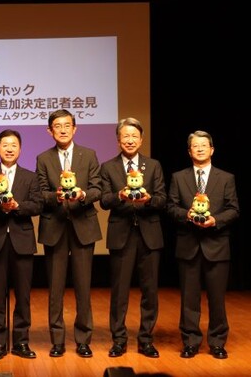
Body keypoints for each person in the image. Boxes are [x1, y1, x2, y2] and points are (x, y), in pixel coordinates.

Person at [167, 130, 239, 360]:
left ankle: (217, 342)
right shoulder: (178, 177)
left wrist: (215, 220)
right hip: (188, 245)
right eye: (195, 146)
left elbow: (234, 209)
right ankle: (190, 342)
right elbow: (171, 207)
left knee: (217, 299)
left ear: (212, 150)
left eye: (203, 145)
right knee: (189, 299)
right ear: (189, 151)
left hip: (217, 246)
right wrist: (186, 215)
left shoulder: (226, 178)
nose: (199, 149)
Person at [36, 109, 102, 358]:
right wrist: (55, 197)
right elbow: (41, 193)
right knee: (55, 289)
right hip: (54, 227)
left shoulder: (89, 154)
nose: (62, 130)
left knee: (83, 288)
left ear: (75, 128)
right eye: (57, 126)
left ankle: (83, 340)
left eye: (67, 125)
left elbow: (97, 188)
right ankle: (58, 341)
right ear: (49, 131)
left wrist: (83, 195)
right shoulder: (43, 158)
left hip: (83, 225)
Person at [99, 117, 166, 359]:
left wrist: (148, 200)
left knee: (150, 291)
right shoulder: (108, 167)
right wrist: (120, 196)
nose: (130, 140)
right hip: (121, 234)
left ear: (141, 139)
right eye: (125, 136)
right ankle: (119, 340)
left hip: (149, 235)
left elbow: (162, 200)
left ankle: (146, 339)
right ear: (118, 140)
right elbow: (104, 200)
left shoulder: (154, 165)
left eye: (134, 136)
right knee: (119, 292)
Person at [0, 129, 44, 360]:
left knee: (23, 296)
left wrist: (17, 206)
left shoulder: (30, 177)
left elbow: (38, 205)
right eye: (5, 145)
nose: (9, 149)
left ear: (20, 149)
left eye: (14, 145)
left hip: (22, 242)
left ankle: (21, 343)